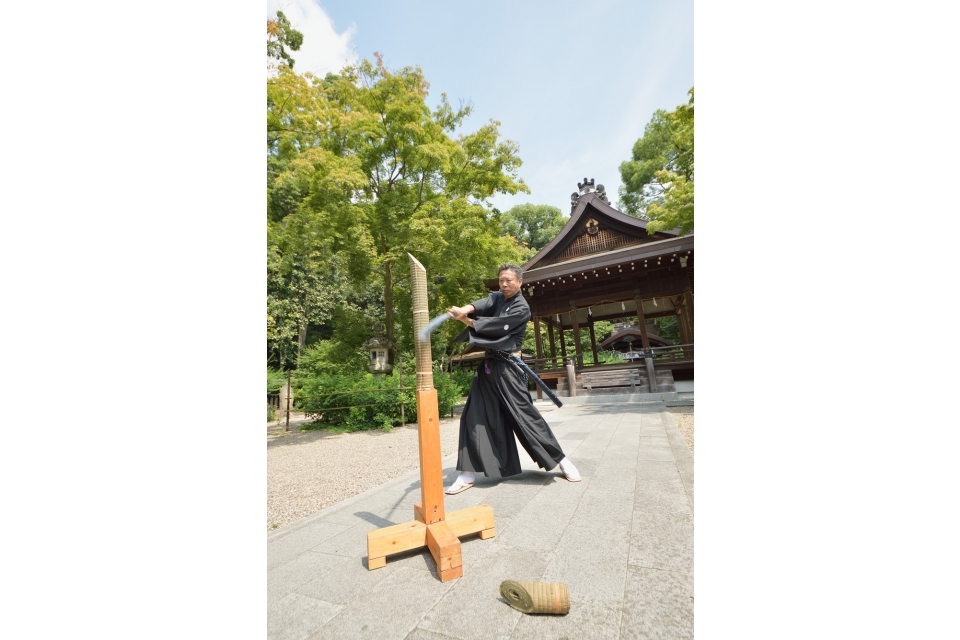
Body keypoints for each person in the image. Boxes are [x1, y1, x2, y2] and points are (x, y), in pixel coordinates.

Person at [444, 263, 580, 494]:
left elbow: (497, 327)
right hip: (488, 365)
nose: (504, 284)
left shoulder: (521, 307)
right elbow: (483, 304)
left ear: (519, 282)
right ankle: (467, 474)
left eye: (509, 280)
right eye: (501, 280)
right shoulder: (498, 297)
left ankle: (562, 460)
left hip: (508, 368)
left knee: (525, 417)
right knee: (472, 416)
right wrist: (466, 309)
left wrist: (466, 320)